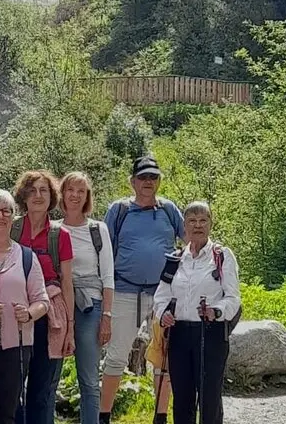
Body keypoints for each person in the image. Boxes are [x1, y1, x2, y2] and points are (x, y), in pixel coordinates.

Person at [100, 156, 184, 424]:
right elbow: (104, 250)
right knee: (116, 356)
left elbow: (191, 242)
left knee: (163, 357)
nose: (148, 182)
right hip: (125, 292)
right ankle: (104, 416)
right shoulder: (119, 210)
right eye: (143, 177)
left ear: (159, 181)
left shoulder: (169, 209)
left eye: (153, 177)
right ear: (132, 181)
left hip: (163, 295)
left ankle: (160, 417)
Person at [155, 201, 241, 424]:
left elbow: (233, 298)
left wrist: (217, 311)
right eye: (192, 221)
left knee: (209, 397)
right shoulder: (175, 258)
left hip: (211, 332)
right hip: (179, 333)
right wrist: (163, 314)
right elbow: (161, 297)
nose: (198, 225)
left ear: (211, 224)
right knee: (182, 398)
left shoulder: (222, 256)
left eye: (203, 220)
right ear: (184, 225)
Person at [0, 188, 49, 424]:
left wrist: (28, 314)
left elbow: (42, 301)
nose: (0, 216)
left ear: (13, 216)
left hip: (17, 343)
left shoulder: (26, 257)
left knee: (7, 409)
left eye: (6, 211)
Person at [9, 170, 74, 424]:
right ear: (23, 196)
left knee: (42, 391)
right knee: (12, 388)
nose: (38, 195)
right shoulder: (11, 228)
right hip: (15, 315)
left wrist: (70, 329)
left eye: (43, 190)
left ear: (52, 197)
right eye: (32, 190)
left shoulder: (60, 235)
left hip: (50, 319)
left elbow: (67, 282)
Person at [58, 172, 114, 424]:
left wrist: (107, 317)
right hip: (58, 306)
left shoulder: (97, 229)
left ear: (87, 196)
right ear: (62, 193)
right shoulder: (52, 229)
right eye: (71, 189)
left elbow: (108, 276)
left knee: (89, 380)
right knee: (49, 378)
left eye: (81, 191)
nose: (75, 195)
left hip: (90, 307)